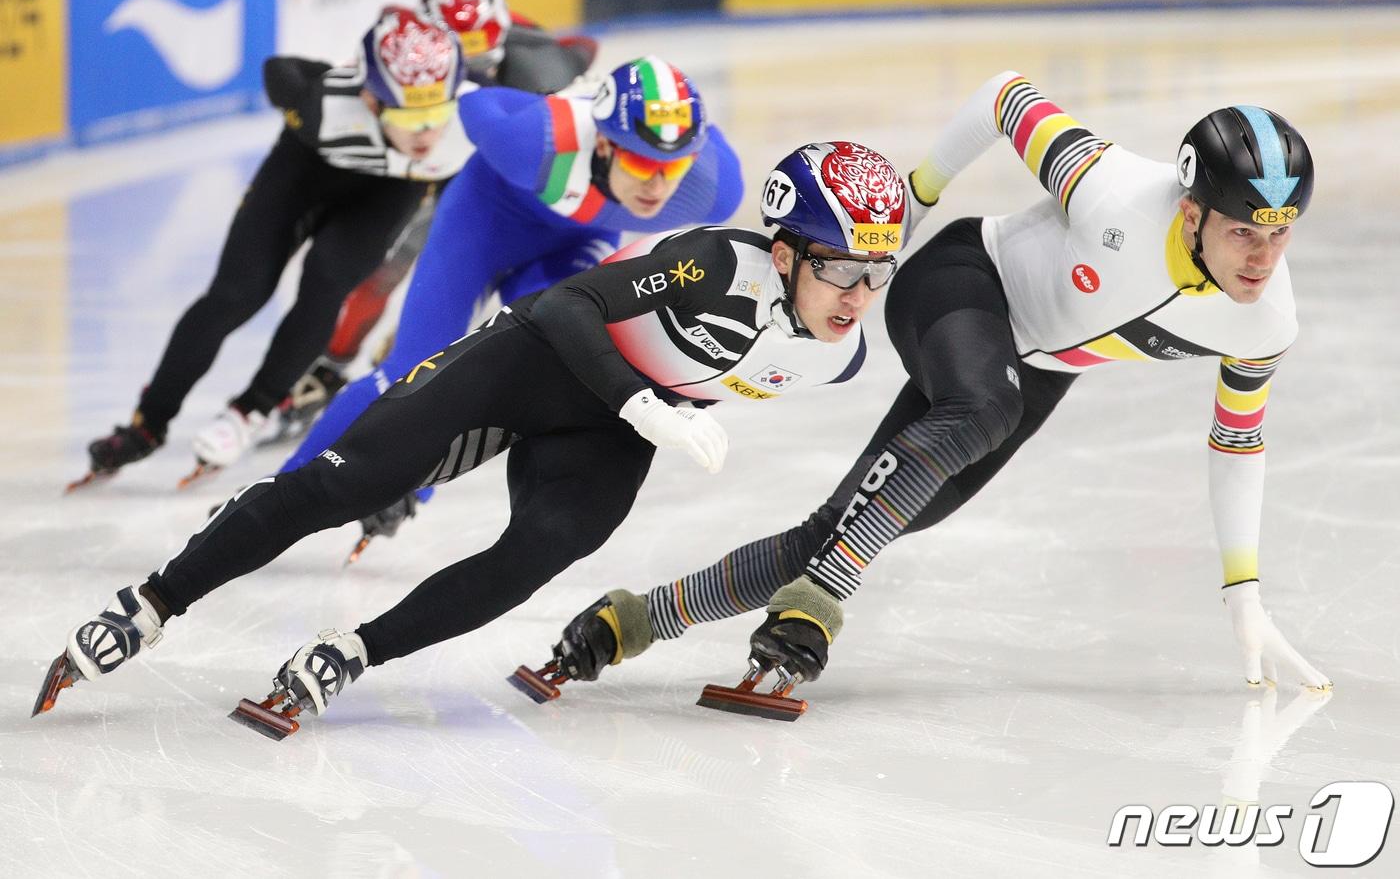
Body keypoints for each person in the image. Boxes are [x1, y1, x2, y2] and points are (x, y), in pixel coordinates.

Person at [33, 142, 908, 736]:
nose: (855, 296)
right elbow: (571, 305)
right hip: (532, 358)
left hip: (609, 427)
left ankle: (352, 652)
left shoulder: (838, 356)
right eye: (838, 268)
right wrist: (643, 406)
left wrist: (642, 411)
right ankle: (149, 604)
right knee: (346, 486)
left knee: (546, 549)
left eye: (876, 274)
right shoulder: (720, 263)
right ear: (786, 253)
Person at [536, 72, 1333, 709]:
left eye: (1279, 233)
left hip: (1031, 369)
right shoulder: (1113, 190)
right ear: (1191, 213)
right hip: (958, 282)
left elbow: (1238, 441)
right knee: (982, 411)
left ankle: (629, 621)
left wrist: (1243, 588)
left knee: (848, 525)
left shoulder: (1266, 320)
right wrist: (917, 194)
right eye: (1242, 231)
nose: (1262, 257)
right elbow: (1004, 96)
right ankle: (825, 594)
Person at [276, 55, 744, 539]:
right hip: (483, 219)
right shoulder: (537, 139)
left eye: (675, 164)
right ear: (602, 143)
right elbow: (477, 101)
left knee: (523, 367)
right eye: (640, 161)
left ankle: (414, 486)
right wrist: (555, 98)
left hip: (573, 245)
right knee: (409, 369)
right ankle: (283, 487)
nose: (658, 183)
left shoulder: (713, 187)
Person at [68, 7, 473, 491]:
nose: (427, 134)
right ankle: (146, 424)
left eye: (436, 114)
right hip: (301, 177)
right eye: (412, 116)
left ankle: (251, 410)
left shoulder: (469, 119)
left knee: (329, 279)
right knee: (235, 295)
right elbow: (278, 70)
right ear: (370, 97)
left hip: (385, 196)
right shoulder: (325, 102)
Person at [270, 0, 600, 442]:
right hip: (428, 161)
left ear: (501, 44)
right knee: (389, 265)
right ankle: (336, 364)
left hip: (485, 171)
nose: (470, 75)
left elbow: (578, 51)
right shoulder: (401, 54)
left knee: (460, 271)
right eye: (458, 64)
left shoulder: (538, 66)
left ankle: (400, 352)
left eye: (482, 62)